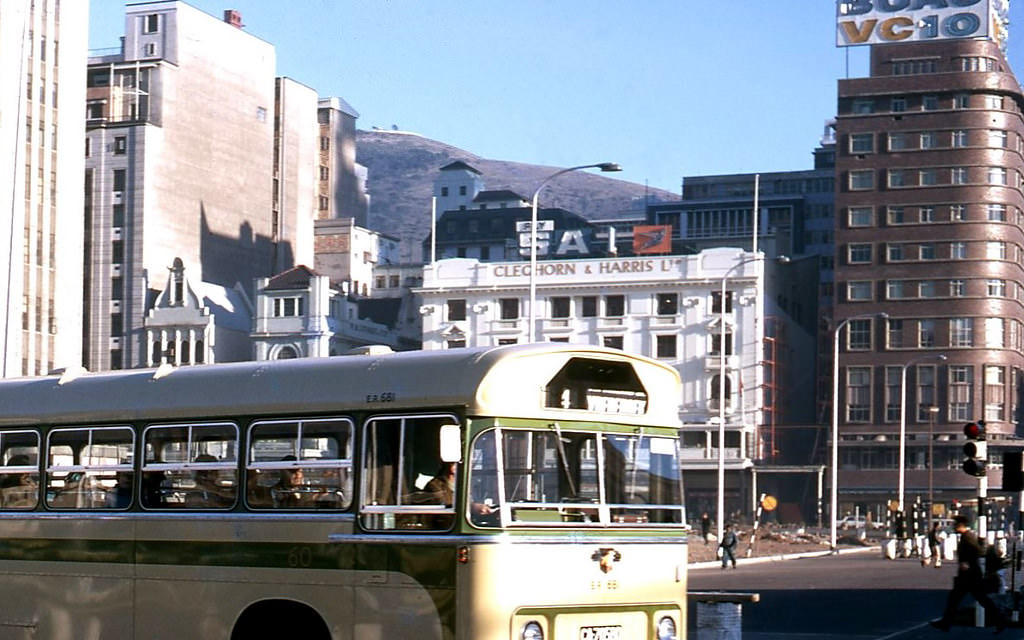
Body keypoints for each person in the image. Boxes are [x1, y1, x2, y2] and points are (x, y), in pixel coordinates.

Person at [930, 515, 1009, 633]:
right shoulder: (965, 536)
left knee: (979, 599)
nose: (953, 526)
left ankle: (1000, 621)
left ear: (959, 525)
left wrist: (968, 562)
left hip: (970, 576)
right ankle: (946, 623)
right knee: (957, 599)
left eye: (955, 524)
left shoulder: (968, 537)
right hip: (967, 575)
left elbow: (979, 550)